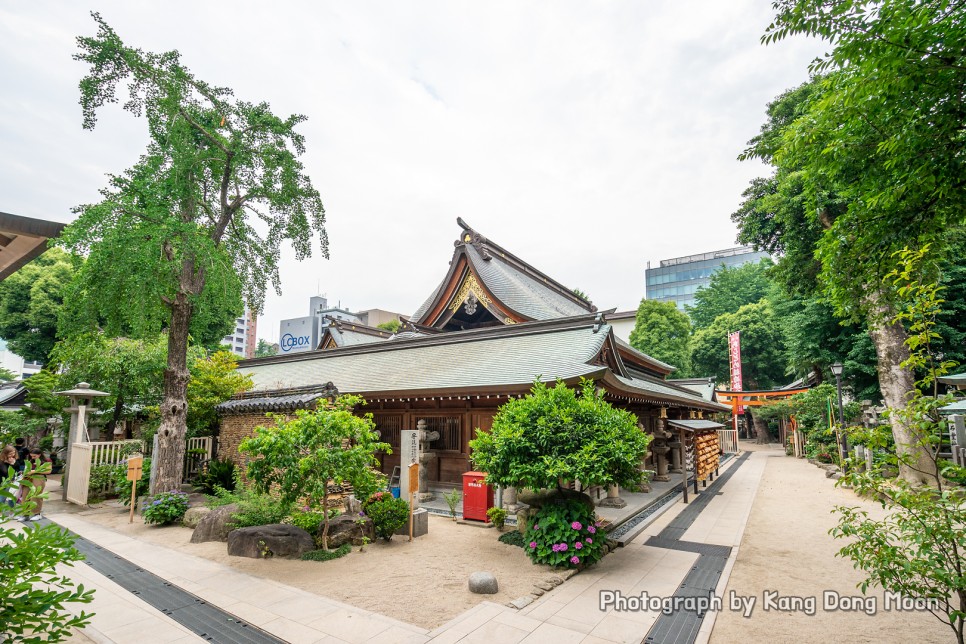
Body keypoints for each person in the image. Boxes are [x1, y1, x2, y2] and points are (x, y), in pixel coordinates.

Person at [17, 447, 50, 521]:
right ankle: (25, 514)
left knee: (36, 496)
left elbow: (48, 471)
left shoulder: (46, 461)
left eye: (34, 456)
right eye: (31, 456)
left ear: (39, 455)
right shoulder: (30, 460)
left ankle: (37, 513)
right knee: (25, 496)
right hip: (28, 479)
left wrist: (34, 471)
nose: (33, 457)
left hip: (39, 478)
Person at [1, 445, 21, 509]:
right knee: (2, 499)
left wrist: (14, 464)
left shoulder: (15, 460)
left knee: (12, 498)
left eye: (14, 453)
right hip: (4, 482)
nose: (12, 455)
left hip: (14, 482)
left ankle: (12, 513)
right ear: (5, 454)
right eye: (10, 454)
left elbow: (17, 471)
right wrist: (11, 464)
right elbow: (7, 472)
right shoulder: (2, 462)